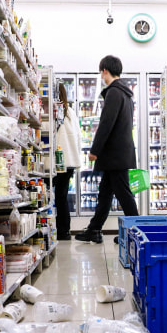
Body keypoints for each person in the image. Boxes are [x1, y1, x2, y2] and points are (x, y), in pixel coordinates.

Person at [75, 55, 139, 243]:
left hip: (115, 154)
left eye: (101, 73)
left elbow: (105, 124)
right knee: (105, 193)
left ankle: (136, 234)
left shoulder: (114, 92)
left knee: (124, 195)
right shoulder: (125, 93)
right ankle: (94, 229)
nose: (102, 76)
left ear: (105, 70)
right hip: (119, 152)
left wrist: (95, 150)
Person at [53, 84, 81, 240]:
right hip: (69, 160)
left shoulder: (53, 111)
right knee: (62, 196)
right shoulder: (70, 112)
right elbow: (78, 137)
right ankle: (64, 231)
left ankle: (55, 229)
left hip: (56, 161)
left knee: (52, 195)